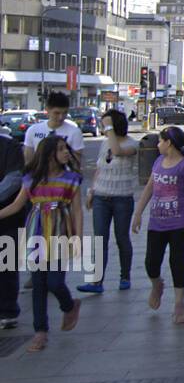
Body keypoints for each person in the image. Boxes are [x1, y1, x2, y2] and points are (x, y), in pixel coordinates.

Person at [0, 135, 83, 351]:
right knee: (38, 285)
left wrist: (77, 238)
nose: (66, 152)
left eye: (67, 148)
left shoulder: (71, 179)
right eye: (61, 149)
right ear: (48, 155)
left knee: (54, 282)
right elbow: (16, 206)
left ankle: (69, 305)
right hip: (36, 234)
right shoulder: (31, 180)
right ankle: (40, 332)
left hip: (60, 233)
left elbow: (77, 211)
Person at [131, 127, 184, 325]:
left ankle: (179, 303)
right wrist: (138, 212)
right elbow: (149, 188)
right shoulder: (158, 162)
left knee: (177, 261)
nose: (157, 145)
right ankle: (157, 285)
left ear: (169, 143)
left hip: (180, 222)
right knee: (151, 262)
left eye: (160, 141)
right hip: (156, 222)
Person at [78, 110, 137, 294]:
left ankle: (125, 276)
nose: (103, 129)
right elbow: (99, 169)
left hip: (122, 198)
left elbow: (118, 152)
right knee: (99, 239)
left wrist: (109, 127)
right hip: (101, 197)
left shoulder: (133, 144)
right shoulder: (105, 143)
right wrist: (91, 191)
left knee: (122, 238)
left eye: (106, 125)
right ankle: (96, 282)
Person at [0, 124, 25, 327]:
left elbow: (14, 179)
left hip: (7, 217)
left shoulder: (10, 146)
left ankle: (8, 310)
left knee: (6, 264)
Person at [24, 91, 85, 167]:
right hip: (39, 176)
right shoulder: (32, 130)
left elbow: (77, 161)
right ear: (47, 110)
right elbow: (29, 159)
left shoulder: (75, 132)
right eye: (57, 113)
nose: (61, 117)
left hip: (65, 177)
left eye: (64, 113)